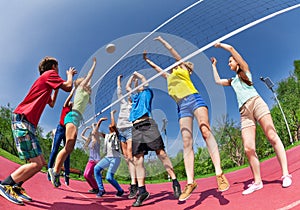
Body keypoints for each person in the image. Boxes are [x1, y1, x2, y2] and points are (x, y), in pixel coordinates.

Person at [143, 36, 229, 201]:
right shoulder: (169, 77)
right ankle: (190, 182)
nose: (175, 64)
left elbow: (173, 52)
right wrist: (147, 60)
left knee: (205, 131)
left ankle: (219, 173)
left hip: (194, 99)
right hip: (181, 106)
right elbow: (157, 68)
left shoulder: (183, 68)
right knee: (187, 142)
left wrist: (161, 41)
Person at [212, 42, 292, 195]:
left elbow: (231, 49)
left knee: (272, 136)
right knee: (248, 148)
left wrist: (219, 45)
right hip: (244, 113)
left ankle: (286, 174)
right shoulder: (232, 81)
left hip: (256, 103)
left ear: (236, 62)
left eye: (230, 61)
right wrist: (214, 65)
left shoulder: (245, 70)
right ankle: (257, 182)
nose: (229, 63)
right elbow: (217, 81)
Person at [0, 56, 76, 205]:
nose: (58, 71)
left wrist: (56, 89)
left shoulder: (46, 84)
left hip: (27, 123)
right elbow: (68, 86)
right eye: (58, 68)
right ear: (53, 67)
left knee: (39, 162)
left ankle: (16, 186)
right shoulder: (49, 74)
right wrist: (69, 76)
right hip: (23, 120)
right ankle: (5, 184)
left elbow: (52, 104)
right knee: (36, 163)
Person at [126, 71, 181, 207]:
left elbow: (144, 80)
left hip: (148, 124)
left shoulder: (147, 93)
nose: (138, 87)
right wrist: (131, 79)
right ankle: (142, 191)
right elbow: (128, 88)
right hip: (136, 127)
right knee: (137, 159)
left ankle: (175, 182)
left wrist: (137, 74)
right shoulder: (134, 99)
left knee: (161, 153)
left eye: (140, 86)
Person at [48, 57, 97, 187]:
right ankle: (55, 171)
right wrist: (94, 64)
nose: (88, 83)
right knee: (67, 147)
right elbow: (90, 77)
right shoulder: (80, 88)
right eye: (86, 81)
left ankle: (56, 172)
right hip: (71, 117)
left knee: (69, 148)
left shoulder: (86, 94)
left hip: (75, 118)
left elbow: (89, 83)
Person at [47, 87, 75, 186]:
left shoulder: (72, 114)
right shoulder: (65, 107)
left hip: (67, 130)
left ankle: (67, 177)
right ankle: (49, 172)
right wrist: (74, 89)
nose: (71, 102)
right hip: (60, 128)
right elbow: (69, 98)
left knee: (67, 152)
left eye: (72, 103)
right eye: (71, 102)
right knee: (55, 150)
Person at [116, 74, 138, 199]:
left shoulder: (134, 105)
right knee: (127, 158)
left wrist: (134, 81)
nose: (129, 96)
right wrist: (118, 80)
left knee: (130, 155)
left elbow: (135, 90)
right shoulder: (123, 102)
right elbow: (119, 91)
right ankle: (133, 180)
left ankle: (134, 184)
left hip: (129, 129)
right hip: (121, 131)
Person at [94, 110, 124, 198]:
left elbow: (114, 125)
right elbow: (95, 132)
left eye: (111, 124)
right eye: (109, 124)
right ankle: (101, 190)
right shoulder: (106, 136)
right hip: (108, 157)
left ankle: (120, 190)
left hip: (115, 158)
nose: (110, 124)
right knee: (96, 169)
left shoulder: (117, 134)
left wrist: (111, 114)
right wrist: (99, 122)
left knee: (109, 178)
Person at [80, 120, 102, 194]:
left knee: (88, 175)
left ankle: (97, 188)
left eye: (93, 134)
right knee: (86, 175)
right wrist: (86, 128)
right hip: (90, 160)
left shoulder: (97, 141)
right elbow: (81, 135)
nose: (92, 134)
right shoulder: (90, 141)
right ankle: (94, 188)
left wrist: (94, 125)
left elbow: (94, 132)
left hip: (96, 161)